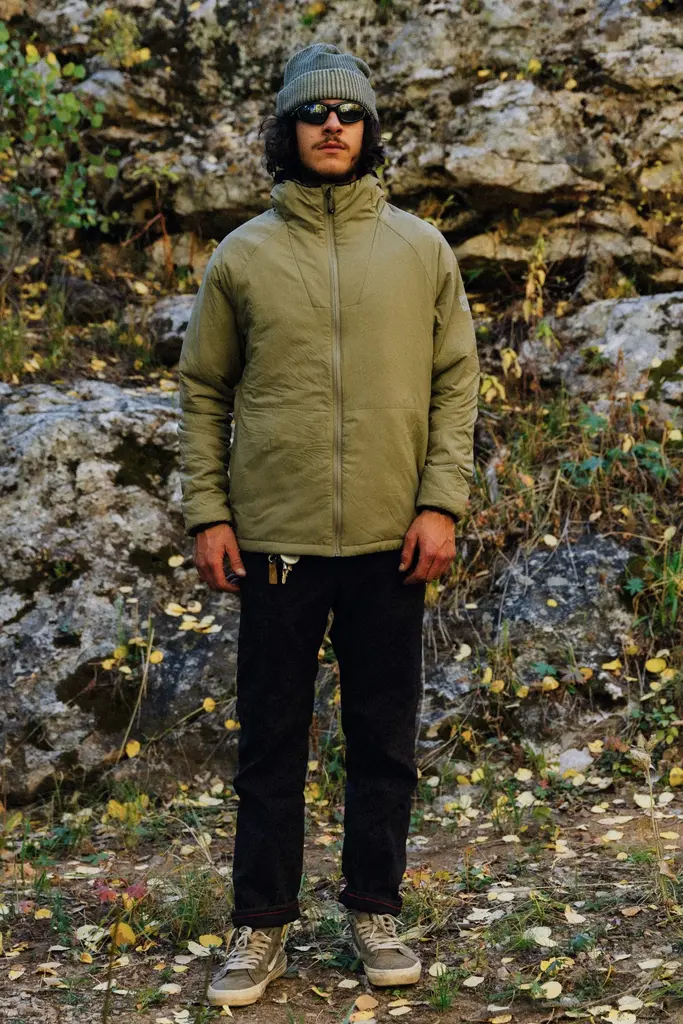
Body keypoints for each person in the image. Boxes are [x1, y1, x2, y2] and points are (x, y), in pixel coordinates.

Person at [177, 41, 480, 1008]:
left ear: (369, 129)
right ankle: (259, 928)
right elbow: (202, 391)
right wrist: (208, 512)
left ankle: (374, 911)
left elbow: (457, 384)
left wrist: (440, 502)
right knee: (270, 742)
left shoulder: (419, 251)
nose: (332, 125)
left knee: (383, 739)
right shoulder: (244, 255)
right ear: (288, 130)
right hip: (276, 541)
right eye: (314, 112)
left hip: (393, 541)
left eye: (348, 112)